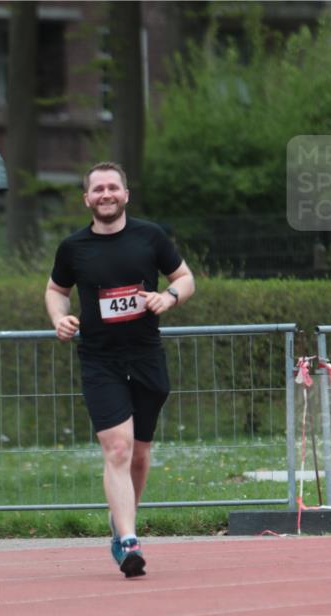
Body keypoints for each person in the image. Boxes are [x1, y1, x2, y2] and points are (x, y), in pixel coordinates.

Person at [45, 162, 195, 577]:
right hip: (100, 360)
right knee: (117, 449)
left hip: (146, 357)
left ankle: (121, 520)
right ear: (87, 199)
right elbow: (56, 290)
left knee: (140, 456)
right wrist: (59, 317)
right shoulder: (73, 248)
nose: (106, 194)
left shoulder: (151, 237)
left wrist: (169, 297)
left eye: (113, 187)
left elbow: (185, 277)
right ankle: (128, 541)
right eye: (98, 189)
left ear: (126, 195)